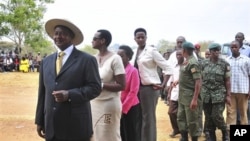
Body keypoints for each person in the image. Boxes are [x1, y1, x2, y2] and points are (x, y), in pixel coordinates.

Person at [35, 18, 102, 141]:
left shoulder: (86, 60)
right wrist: (40, 120)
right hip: (52, 126)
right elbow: (42, 93)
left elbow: (95, 88)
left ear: (72, 37)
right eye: (56, 33)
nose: (58, 37)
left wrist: (69, 94)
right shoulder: (46, 62)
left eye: (63, 33)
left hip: (75, 126)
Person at [131, 27, 172, 141]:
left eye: (142, 37)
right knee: (138, 116)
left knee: (148, 118)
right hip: (136, 89)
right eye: (138, 37)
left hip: (149, 88)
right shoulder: (134, 52)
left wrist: (163, 84)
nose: (140, 39)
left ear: (146, 38)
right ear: (134, 39)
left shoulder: (151, 51)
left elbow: (168, 67)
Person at [91, 29, 126, 141]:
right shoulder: (92, 59)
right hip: (93, 104)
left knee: (109, 135)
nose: (92, 41)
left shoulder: (115, 59)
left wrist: (101, 85)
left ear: (102, 41)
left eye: (95, 39)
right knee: (94, 135)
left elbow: (122, 85)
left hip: (109, 104)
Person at [201, 43, 231, 141]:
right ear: (210, 52)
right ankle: (211, 136)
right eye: (214, 50)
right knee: (208, 117)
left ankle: (224, 132)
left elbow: (227, 81)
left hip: (219, 94)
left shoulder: (224, 64)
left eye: (218, 50)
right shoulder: (203, 63)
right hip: (206, 94)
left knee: (217, 116)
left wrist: (228, 95)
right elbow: (200, 78)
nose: (216, 52)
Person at [176, 42, 201, 141]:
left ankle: (194, 138)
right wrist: (178, 81)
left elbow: (198, 81)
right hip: (182, 96)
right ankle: (184, 137)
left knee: (192, 121)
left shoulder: (193, 63)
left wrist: (195, 99)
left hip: (190, 97)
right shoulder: (186, 61)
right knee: (180, 118)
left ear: (184, 51)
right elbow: (187, 76)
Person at [117, 45, 141, 141]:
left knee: (130, 132)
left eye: (121, 56)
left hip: (130, 107)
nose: (119, 58)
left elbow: (133, 92)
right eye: (117, 56)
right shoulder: (115, 71)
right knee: (120, 132)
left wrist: (123, 109)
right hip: (117, 105)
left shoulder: (133, 71)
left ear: (128, 57)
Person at [226, 40, 250, 129]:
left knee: (243, 113)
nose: (234, 48)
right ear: (230, 48)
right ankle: (230, 133)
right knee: (231, 113)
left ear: (239, 48)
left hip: (243, 91)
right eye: (232, 47)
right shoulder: (227, 60)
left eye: (236, 47)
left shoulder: (247, 60)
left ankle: (242, 133)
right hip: (230, 92)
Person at [167, 49, 183, 138]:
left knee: (181, 114)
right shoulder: (174, 67)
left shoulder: (187, 66)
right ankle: (176, 129)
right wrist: (169, 93)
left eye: (180, 54)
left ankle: (183, 131)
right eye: (177, 55)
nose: (178, 56)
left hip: (184, 94)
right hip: (175, 93)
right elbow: (171, 81)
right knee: (171, 112)